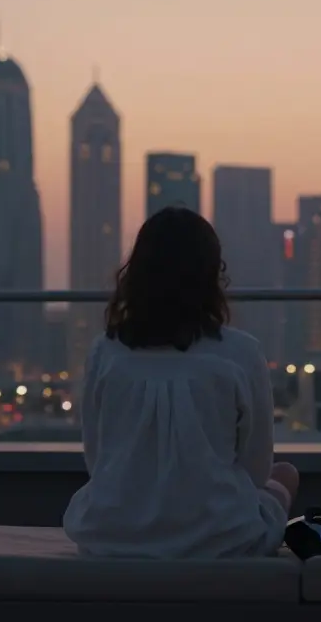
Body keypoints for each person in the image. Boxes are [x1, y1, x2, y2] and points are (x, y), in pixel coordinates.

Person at [63, 206, 298, 559]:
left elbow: (98, 459)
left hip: (110, 534)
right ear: (210, 275)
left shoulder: (105, 352)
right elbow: (256, 469)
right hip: (218, 537)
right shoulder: (241, 352)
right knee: (284, 476)